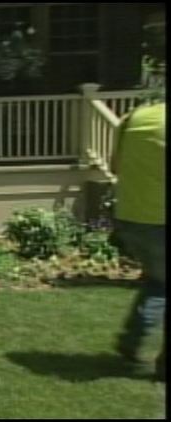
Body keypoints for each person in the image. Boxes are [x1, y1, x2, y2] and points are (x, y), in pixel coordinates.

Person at [110, 101, 166, 382]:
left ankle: (131, 340)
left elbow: (114, 166)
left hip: (131, 219)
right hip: (161, 220)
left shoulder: (135, 117)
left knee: (159, 282)